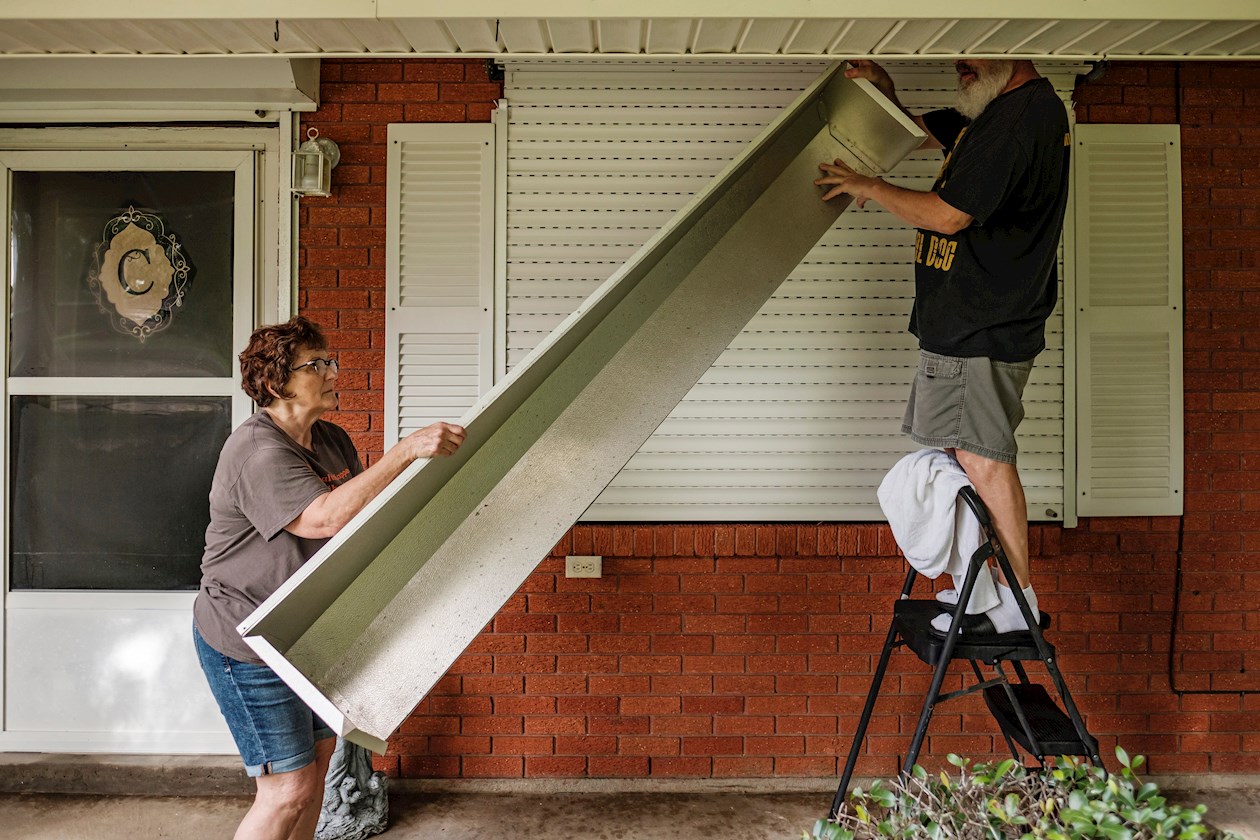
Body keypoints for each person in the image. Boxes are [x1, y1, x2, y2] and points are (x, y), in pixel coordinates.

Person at [815, 59, 1070, 634]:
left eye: (973, 53)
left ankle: (1016, 601)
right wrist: (886, 93)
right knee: (963, 458)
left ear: (1012, 49)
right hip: (966, 323)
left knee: (983, 457)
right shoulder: (996, 112)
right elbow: (922, 132)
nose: (961, 64)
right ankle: (980, 591)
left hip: (981, 324)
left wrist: (870, 186)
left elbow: (949, 216)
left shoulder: (1016, 122)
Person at [192, 316, 465, 840]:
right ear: (276, 383)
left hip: (302, 634)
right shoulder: (256, 451)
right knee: (285, 790)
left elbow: (360, 518)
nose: (333, 372)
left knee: (317, 771)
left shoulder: (331, 440)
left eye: (329, 361)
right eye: (317, 365)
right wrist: (406, 450)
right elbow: (322, 518)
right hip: (246, 639)